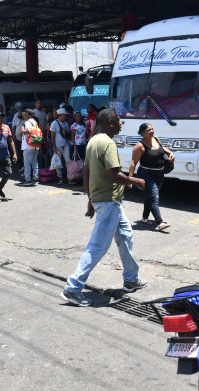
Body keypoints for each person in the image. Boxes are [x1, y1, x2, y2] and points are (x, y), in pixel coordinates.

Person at [61, 108, 148, 306]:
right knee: (98, 246)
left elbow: (86, 173)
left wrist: (90, 200)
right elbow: (114, 176)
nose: (121, 124)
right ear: (110, 122)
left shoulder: (93, 141)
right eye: (118, 121)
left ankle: (131, 279)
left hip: (108, 200)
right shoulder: (107, 143)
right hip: (108, 202)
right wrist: (135, 181)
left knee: (125, 236)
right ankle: (73, 287)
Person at [128, 123, 174, 231]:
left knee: (150, 196)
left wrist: (170, 152)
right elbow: (133, 163)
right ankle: (160, 222)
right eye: (149, 130)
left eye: (152, 129)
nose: (152, 131)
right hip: (146, 175)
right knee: (154, 197)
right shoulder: (139, 146)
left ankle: (144, 217)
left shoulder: (156, 139)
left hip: (159, 174)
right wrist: (130, 179)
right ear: (142, 133)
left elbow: (162, 149)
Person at [51, 108, 73, 184]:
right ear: (60, 115)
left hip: (65, 145)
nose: (65, 117)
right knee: (58, 163)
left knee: (68, 161)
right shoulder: (54, 123)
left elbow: (68, 136)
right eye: (64, 115)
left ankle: (70, 178)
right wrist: (54, 147)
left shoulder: (66, 123)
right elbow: (52, 136)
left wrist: (66, 132)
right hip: (57, 146)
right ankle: (60, 177)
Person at [20, 108, 40, 186]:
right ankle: (35, 178)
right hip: (35, 145)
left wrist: (22, 129)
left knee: (27, 163)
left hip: (28, 146)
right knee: (35, 163)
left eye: (25, 114)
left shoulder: (28, 122)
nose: (24, 115)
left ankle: (27, 180)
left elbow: (28, 131)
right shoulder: (34, 122)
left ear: (27, 115)